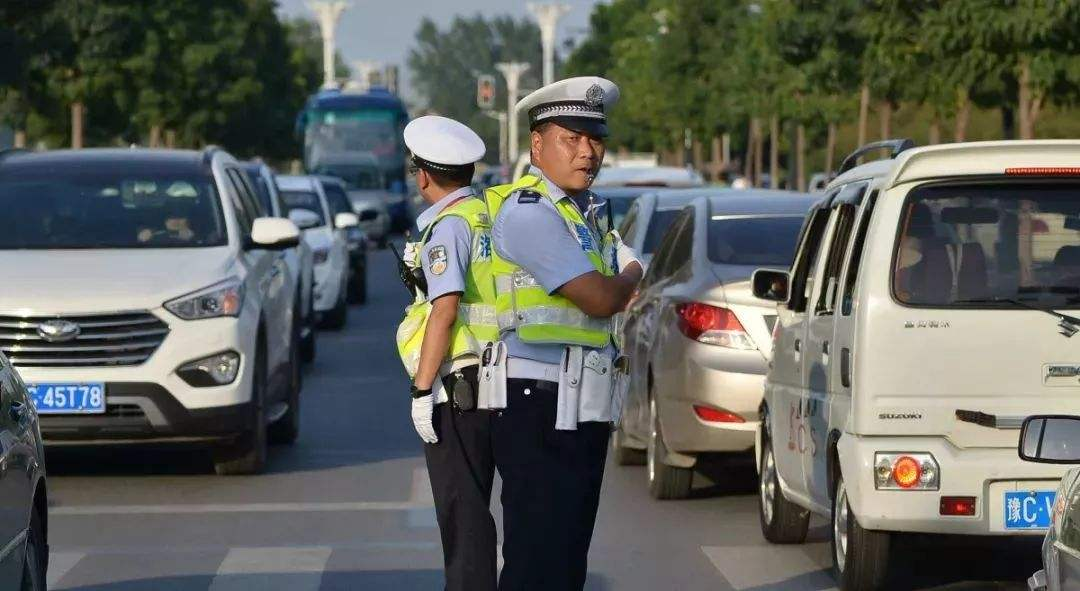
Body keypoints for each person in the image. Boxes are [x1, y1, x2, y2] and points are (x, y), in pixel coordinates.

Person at [483, 76, 643, 590]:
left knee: (568, 556)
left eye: (595, 140)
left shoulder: (583, 213)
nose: (586, 152)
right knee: (537, 559)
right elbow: (601, 298)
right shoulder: (529, 214)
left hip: (579, 400)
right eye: (570, 139)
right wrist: (633, 271)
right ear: (537, 145)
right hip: (536, 402)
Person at [395, 115, 500, 591]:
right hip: (501, 376)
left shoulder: (448, 227)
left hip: (460, 386)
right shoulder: (487, 215)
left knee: (462, 510)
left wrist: (421, 391)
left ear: (423, 176)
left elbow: (445, 311)